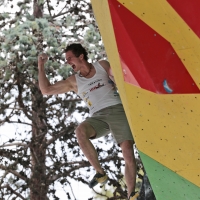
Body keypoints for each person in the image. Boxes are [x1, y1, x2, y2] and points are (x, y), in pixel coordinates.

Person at [38, 43, 139, 200]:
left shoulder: (102, 65)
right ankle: (100, 172)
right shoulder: (74, 81)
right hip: (97, 117)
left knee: (127, 152)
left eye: (69, 58)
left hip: (117, 110)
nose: (67, 62)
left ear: (81, 56)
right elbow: (46, 90)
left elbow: (120, 77)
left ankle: (131, 194)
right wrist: (41, 66)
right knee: (80, 131)